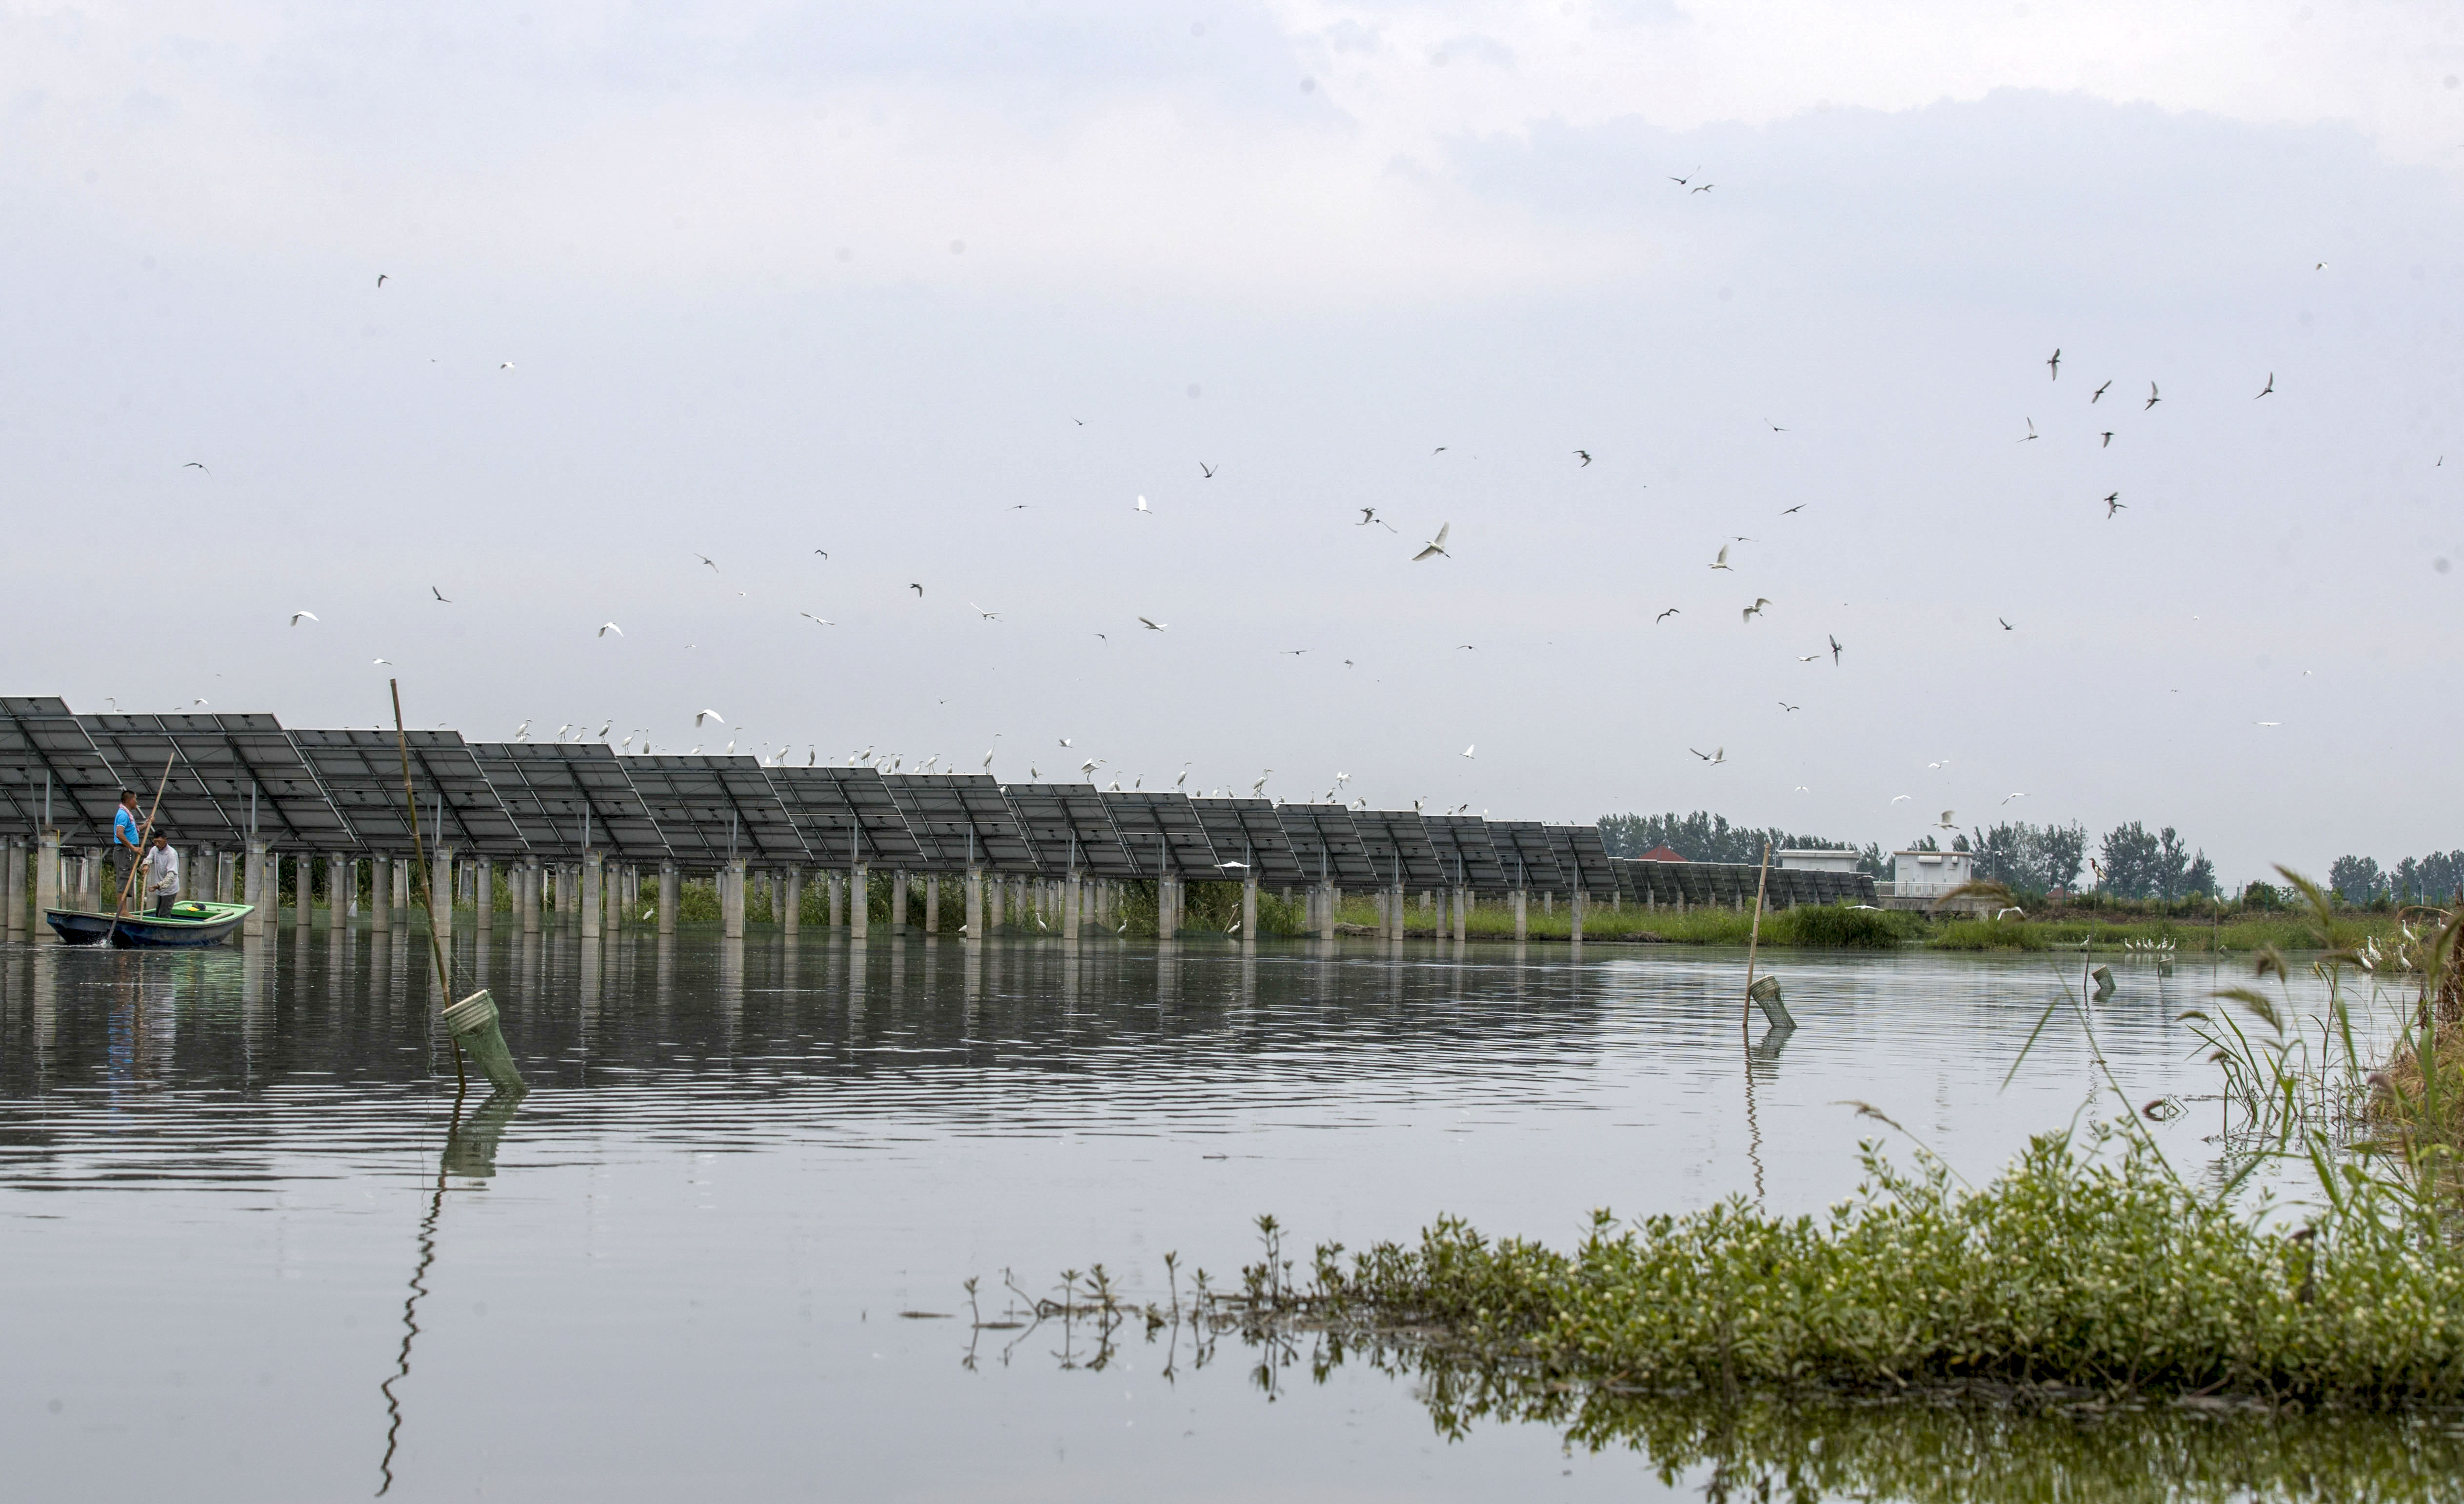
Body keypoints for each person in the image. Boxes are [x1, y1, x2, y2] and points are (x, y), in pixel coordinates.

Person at [109, 790, 145, 910]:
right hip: (124, 851)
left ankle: (124, 910)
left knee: (127, 878)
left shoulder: (128, 814)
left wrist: (147, 824)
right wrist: (133, 848)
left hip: (128, 851)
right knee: (123, 879)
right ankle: (122, 911)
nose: (137, 802)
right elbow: (120, 834)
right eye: (135, 799)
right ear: (130, 800)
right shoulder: (123, 815)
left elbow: (135, 830)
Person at [143, 834, 182, 918]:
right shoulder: (155, 849)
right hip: (160, 889)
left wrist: (158, 886)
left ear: (165, 840)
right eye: (155, 842)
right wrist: (146, 864)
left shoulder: (171, 854)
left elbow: (171, 876)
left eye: (159, 842)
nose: (157, 844)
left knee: (164, 914)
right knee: (158, 913)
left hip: (170, 889)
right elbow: (149, 858)